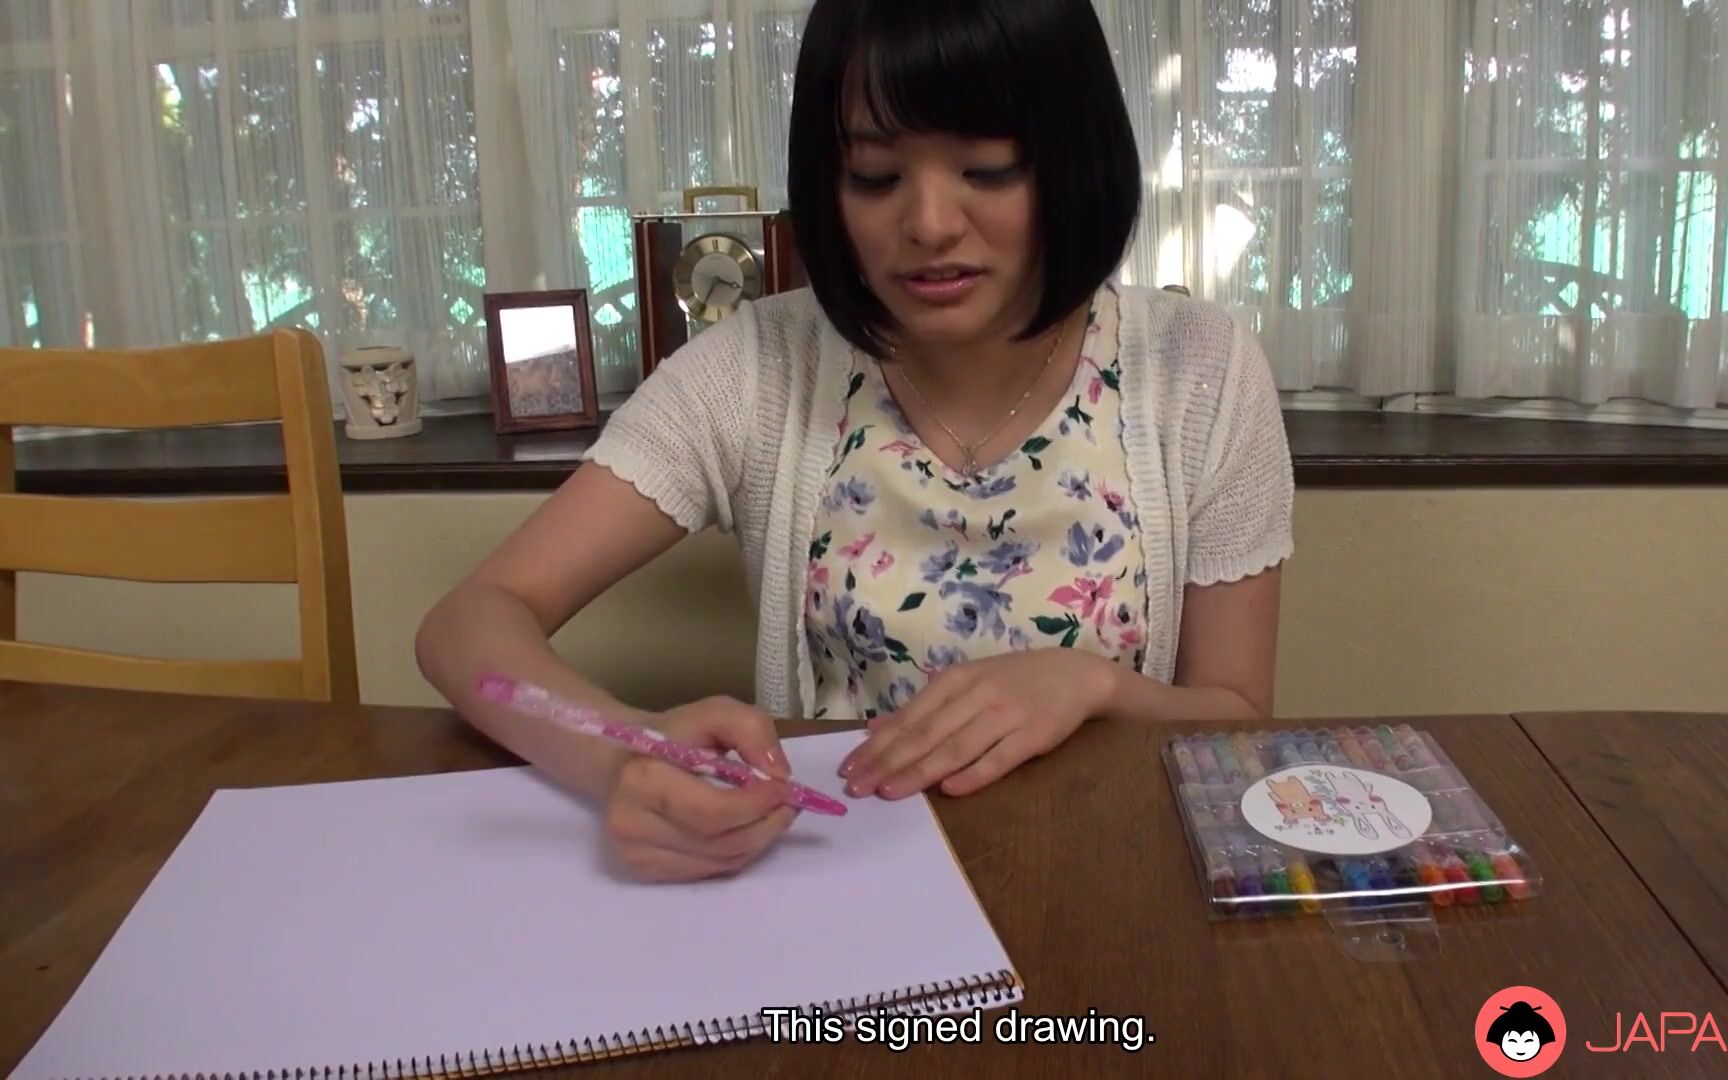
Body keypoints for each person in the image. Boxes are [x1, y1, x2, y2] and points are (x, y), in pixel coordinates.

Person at [414, 0, 1295, 883]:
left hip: (1114, 885)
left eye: (988, 168)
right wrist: (622, 755)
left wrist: (1096, 687)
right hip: (839, 884)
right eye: (875, 176)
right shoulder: (760, 366)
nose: (930, 223)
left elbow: (1235, 714)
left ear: (1075, 157)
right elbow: (469, 623)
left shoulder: (1200, 369)